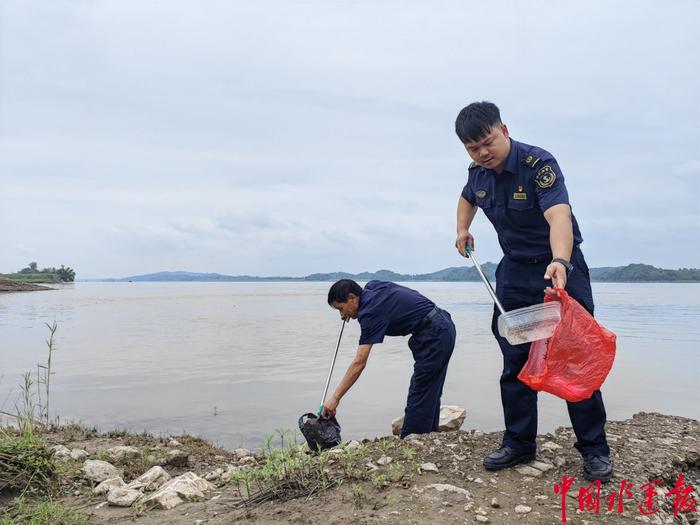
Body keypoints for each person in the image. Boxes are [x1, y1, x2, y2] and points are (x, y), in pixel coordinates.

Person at [453, 101, 612, 482]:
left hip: (559, 268)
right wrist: (462, 229)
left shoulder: (538, 165)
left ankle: (595, 450)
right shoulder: (478, 174)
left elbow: (559, 215)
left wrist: (561, 260)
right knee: (516, 360)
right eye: (473, 149)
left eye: (488, 142)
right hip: (513, 273)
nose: (483, 153)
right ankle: (519, 443)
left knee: (574, 358)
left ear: (504, 130)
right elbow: (466, 197)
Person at [320, 279, 456, 438]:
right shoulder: (372, 287)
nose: (342, 315)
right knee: (430, 388)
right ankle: (429, 436)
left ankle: (412, 440)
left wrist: (335, 398)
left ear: (352, 298)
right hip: (441, 324)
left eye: (341, 309)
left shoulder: (370, 313)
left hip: (434, 332)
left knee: (420, 390)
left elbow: (359, 363)